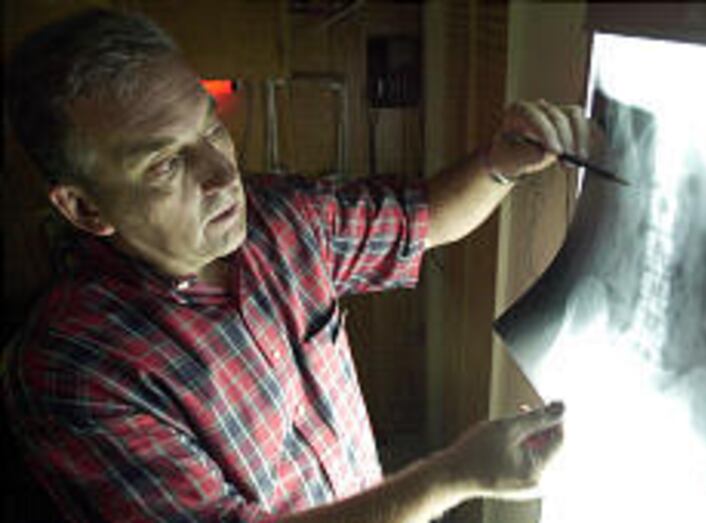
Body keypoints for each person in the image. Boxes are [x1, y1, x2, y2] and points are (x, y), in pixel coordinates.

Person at [2, 8, 590, 523]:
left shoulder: (279, 220)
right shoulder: (75, 374)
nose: (220, 174)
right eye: (165, 164)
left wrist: (500, 163)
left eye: (211, 127)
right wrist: (452, 476)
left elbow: (425, 218)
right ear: (83, 207)